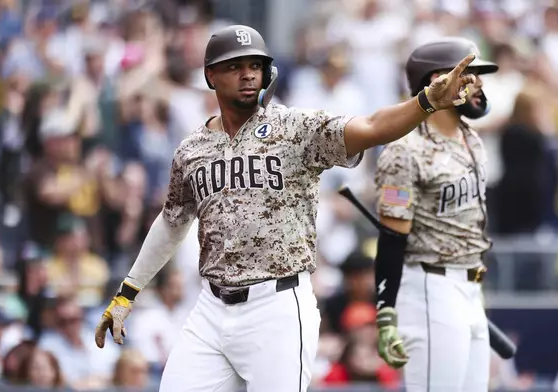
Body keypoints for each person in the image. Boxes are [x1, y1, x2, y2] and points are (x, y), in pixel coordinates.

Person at [93, 25, 477, 392]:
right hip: (210, 307)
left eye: (255, 66)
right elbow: (172, 221)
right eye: (234, 66)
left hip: (276, 305)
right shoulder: (192, 148)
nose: (247, 75)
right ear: (211, 75)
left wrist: (425, 102)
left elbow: (373, 126)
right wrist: (127, 293)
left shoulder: (295, 128)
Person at [372, 37, 499, 391]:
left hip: (471, 286)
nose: (479, 83)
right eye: (469, 74)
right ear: (439, 80)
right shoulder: (404, 147)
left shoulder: (470, 136)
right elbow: (392, 235)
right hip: (430, 287)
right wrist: (386, 311)